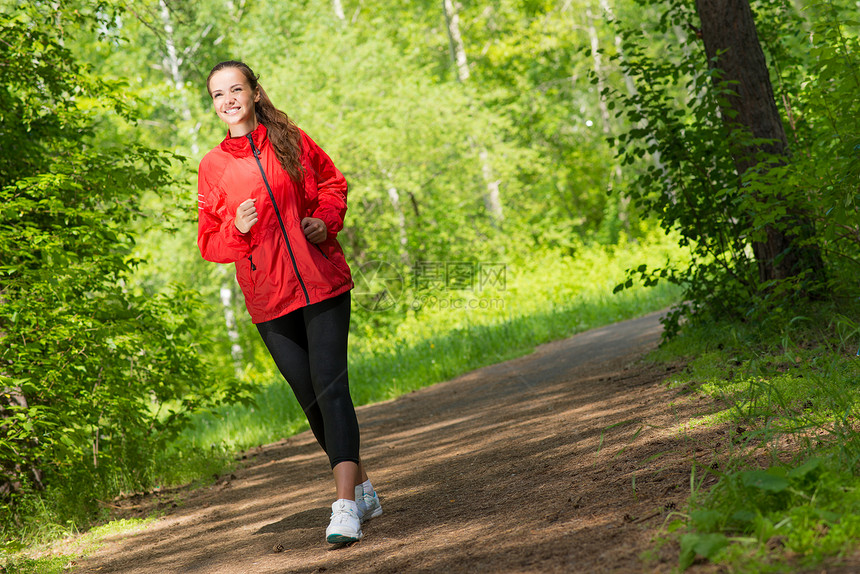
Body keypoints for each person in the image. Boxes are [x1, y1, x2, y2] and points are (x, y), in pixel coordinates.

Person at [197, 60, 381, 544]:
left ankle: (344, 507)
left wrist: (325, 220)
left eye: (236, 89)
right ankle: (361, 487)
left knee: (331, 387)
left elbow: (333, 185)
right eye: (218, 95)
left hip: (322, 283)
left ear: (255, 93)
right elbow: (208, 243)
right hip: (269, 301)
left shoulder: (292, 140)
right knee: (310, 399)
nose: (228, 100)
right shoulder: (213, 168)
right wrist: (235, 229)